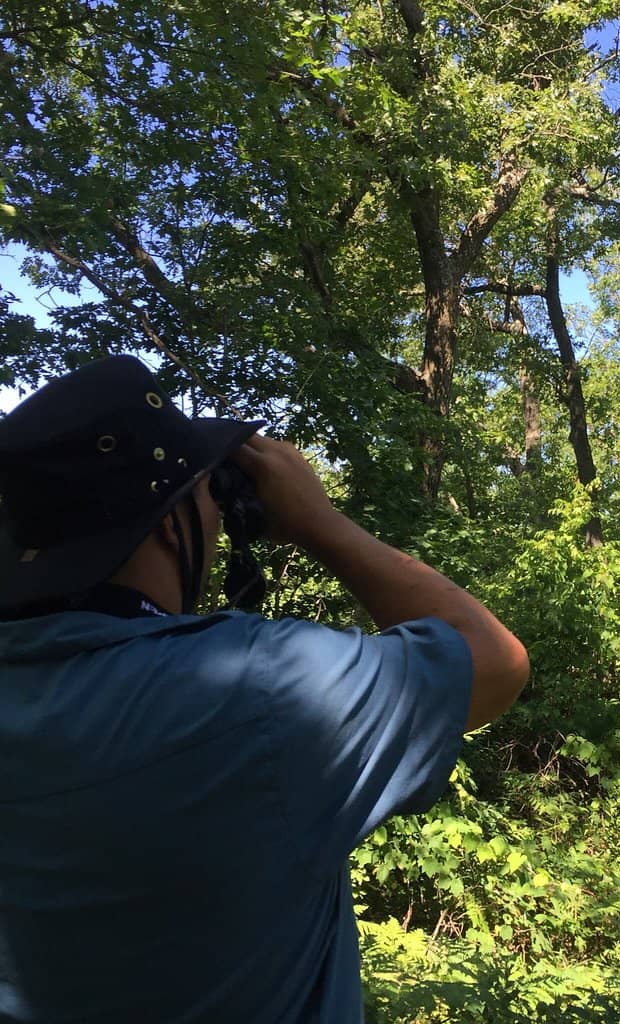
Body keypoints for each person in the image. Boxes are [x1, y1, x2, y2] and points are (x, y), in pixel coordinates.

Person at [0, 355, 529, 1023]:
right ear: (170, 524)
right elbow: (495, 662)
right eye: (206, 498)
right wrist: (319, 522)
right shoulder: (257, 695)